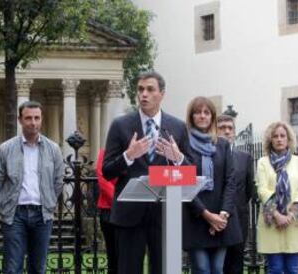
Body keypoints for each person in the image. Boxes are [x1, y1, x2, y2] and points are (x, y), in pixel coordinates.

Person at [102, 71, 192, 274]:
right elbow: (107, 171)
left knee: (164, 269)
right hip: (129, 214)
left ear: (162, 94)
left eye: (150, 89)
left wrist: (178, 158)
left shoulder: (177, 127)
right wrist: (128, 155)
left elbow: (190, 174)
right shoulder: (121, 125)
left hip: (165, 213)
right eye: (140, 89)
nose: (144, 94)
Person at [0, 101, 64, 274]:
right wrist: (1, 205)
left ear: (41, 119)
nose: (33, 122)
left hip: (42, 215)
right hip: (14, 214)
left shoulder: (53, 149)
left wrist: (49, 202)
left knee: (38, 268)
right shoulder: (5, 149)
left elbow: (58, 180)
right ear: (20, 120)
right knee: (12, 267)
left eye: (37, 118)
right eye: (28, 118)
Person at [182, 97, 242, 274]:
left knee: (217, 268)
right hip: (196, 215)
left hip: (222, 217)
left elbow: (230, 181)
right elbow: (184, 184)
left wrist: (222, 215)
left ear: (212, 117)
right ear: (191, 116)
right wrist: (207, 215)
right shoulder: (184, 145)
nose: (202, 116)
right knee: (202, 268)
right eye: (197, 112)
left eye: (206, 112)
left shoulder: (222, 144)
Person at [256, 122, 298, 274]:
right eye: (275, 136)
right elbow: (262, 190)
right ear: (270, 140)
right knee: (275, 269)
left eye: (283, 136)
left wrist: (290, 215)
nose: (279, 139)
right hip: (271, 223)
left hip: (294, 223)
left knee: (293, 269)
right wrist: (277, 215)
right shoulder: (263, 162)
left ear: (288, 139)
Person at [217, 114, 254, 274]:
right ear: (215, 130)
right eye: (222, 128)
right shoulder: (210, 155)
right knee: (218, 264)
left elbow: (249, 190)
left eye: (230, 128)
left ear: (234, 132)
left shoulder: (245, 158)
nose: (226, 131)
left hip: (239, 217)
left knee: (236, 263)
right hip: (215, 218)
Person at [96, 149, 118, 274]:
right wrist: (120, 200)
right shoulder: (106, 153)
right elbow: (103, 178)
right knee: (113, 255)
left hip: (133, 211)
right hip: (110, 210)